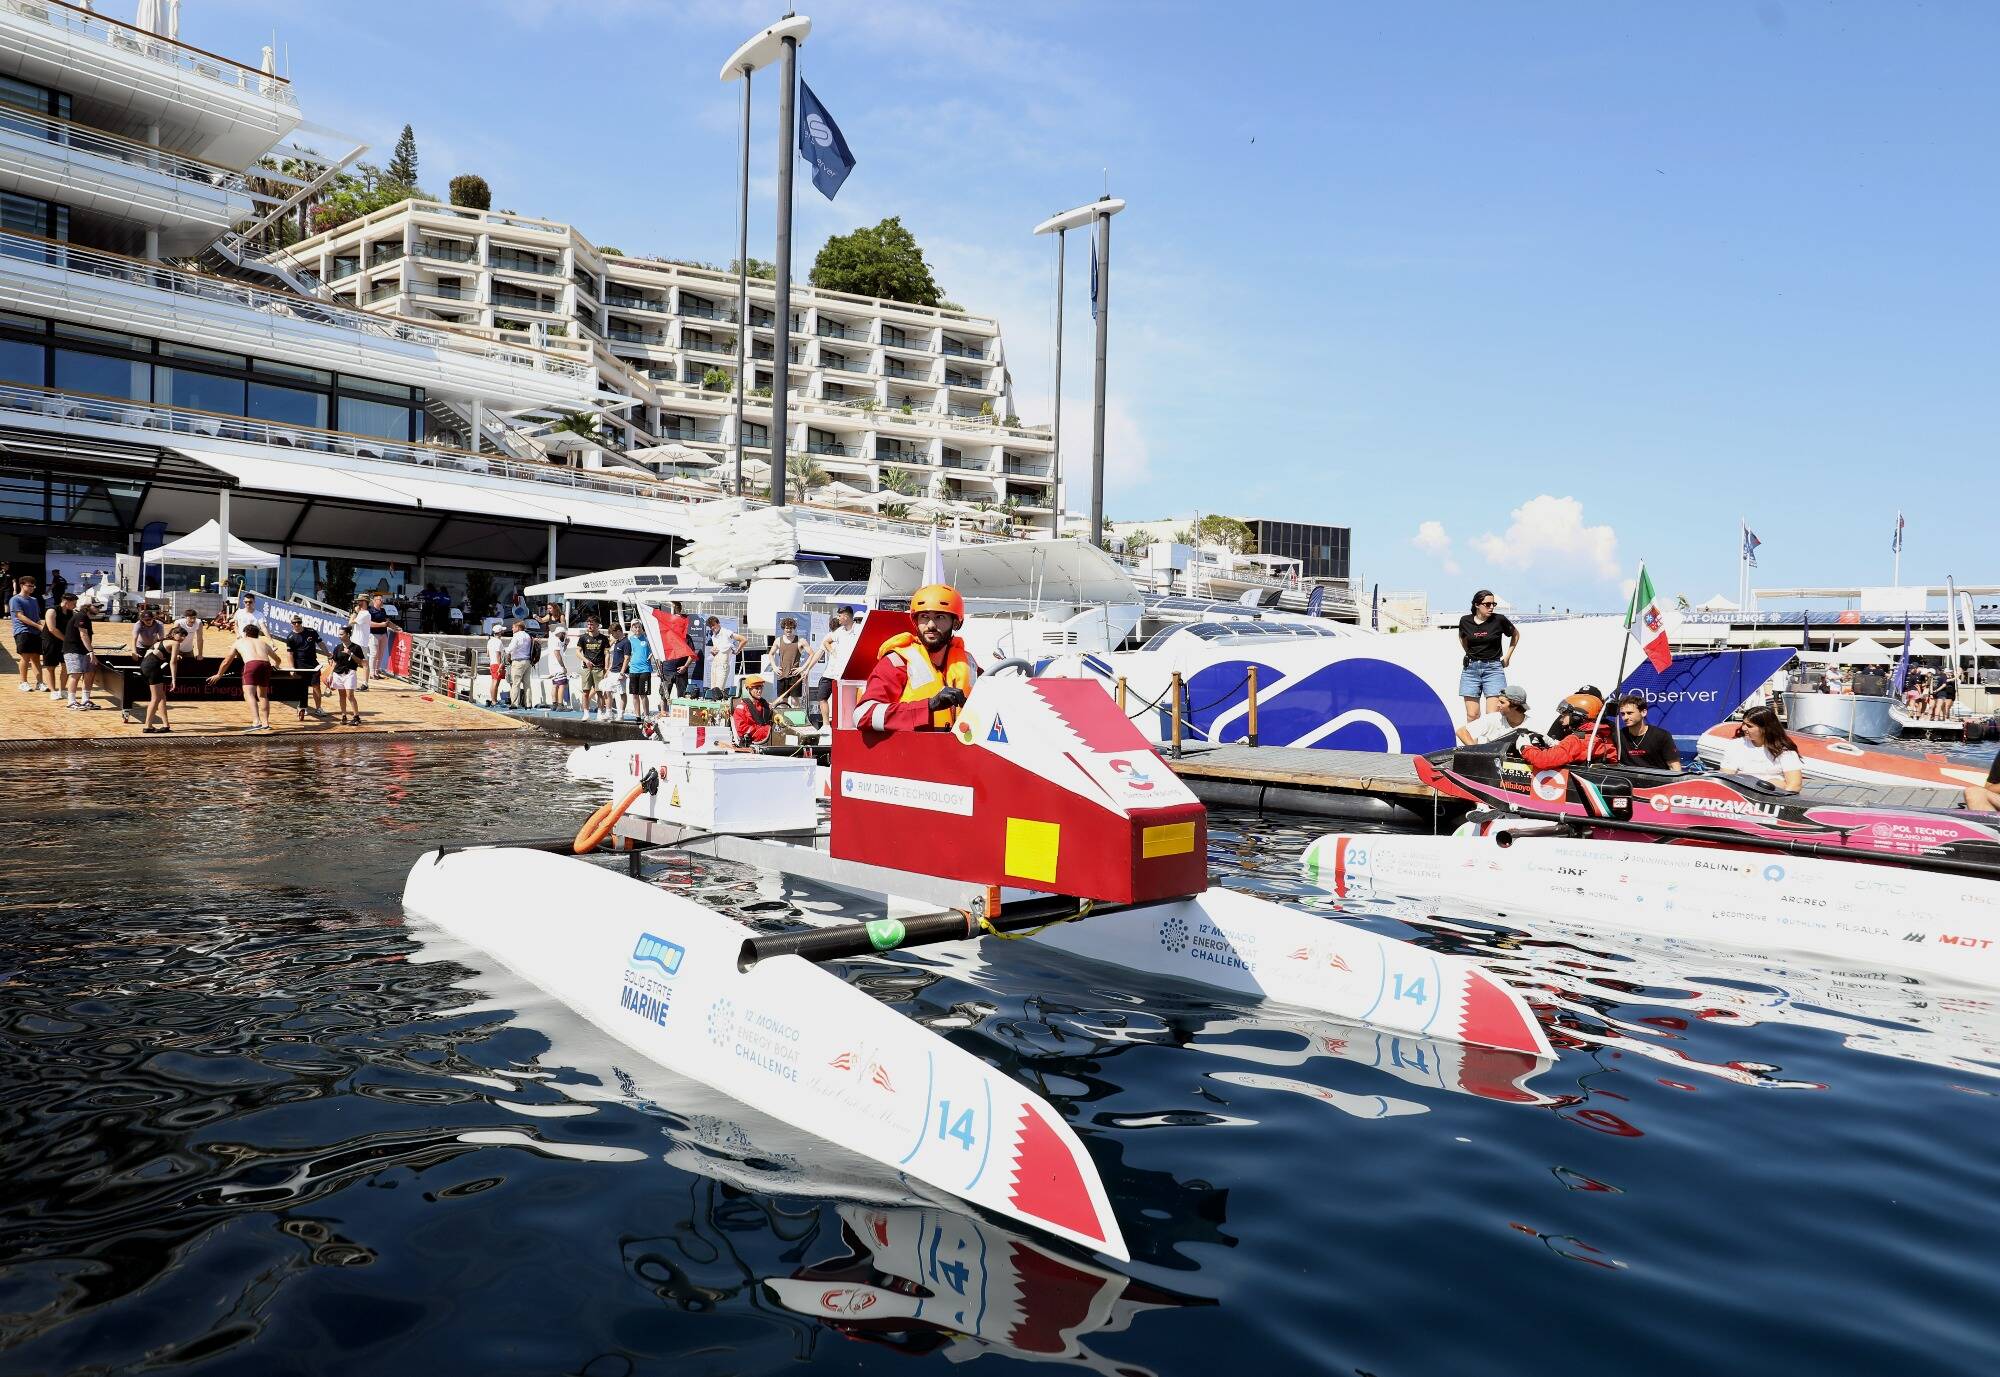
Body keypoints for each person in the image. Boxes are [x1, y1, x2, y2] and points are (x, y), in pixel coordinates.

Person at [857, 584, 978, 732]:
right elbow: (862, 715)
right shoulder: (898, 662)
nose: (931, 625)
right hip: (910, 751)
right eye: (924, 617)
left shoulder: (969, 663)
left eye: (940, 617)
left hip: (959, 750)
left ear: (956, 623)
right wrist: (929, 705)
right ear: (915, 621)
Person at [1457, 589, 1520, 722]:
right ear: (1476, 605)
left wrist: (1507, 657)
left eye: (1493, 604)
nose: (1491, 607)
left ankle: (1490, 743)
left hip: (1493, 669)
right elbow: (1462, 638)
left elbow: (1515, 634)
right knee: (1472, 715)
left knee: (1493, 715)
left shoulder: (1499, 620)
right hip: (1470, 670)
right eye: (1487, 604)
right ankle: (1474, 743)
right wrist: (1469, 653)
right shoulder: (1465, 621)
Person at [1516, 693, 1618, 770]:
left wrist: (1525, 747)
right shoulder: (1601, 737)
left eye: (1565, 714)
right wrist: (1556, 743)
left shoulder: (1576, 740)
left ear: (1577, 717)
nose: (1561, 719)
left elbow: (1543, 761)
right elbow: (1578, 752)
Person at [207, 622, 276, 732]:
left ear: (245, 633)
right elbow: (277, 659)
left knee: (249, 693)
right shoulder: (263, 643)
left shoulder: (239, 642)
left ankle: (256, 722)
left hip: (251, 665)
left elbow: (227, 661)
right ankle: (265, 723)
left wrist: (219, 674)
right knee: (263, 695)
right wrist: (275, 665)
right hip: (266, 665)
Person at [801, 604, 860, 727]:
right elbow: (822, 648)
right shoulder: (837, 632)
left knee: (846, 701)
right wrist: (807, 669)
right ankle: (826, 726)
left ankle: (846, 724)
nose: (838, 618)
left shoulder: (858, 630)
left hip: (845, 674)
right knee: (822, 696)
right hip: (830, 673)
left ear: (846, 616)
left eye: (839, 616)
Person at [1717, 706, 1803, 791]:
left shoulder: (1785, 751)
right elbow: (1726, 778)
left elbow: (1794, 785)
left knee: (1775, 783)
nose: (1743, 728)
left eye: (1749, 726)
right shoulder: (1735, 745)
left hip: (1773, 796)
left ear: (1765, 729)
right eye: (1743, 723)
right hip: (1742, 794)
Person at [1615, 693, 1682, 772]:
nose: (1625, 717)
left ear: (1643, 712)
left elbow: (1674, 767)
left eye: (1630, 713)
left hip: (1658, 780)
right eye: (1623, 714)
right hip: (1628, 781)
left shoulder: (1662, 736)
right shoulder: (1618, 736)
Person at [58, 590, 99, 710]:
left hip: (82, 650)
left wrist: (89, 651)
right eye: (95, 606)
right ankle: (71, 701)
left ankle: (85, 700)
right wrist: (91, 652)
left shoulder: (84, 617)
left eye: (99, 606)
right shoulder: (81, 616)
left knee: (89, 673)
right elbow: (83, 635)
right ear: (87, 606)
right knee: (75, 674)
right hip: (73, 650)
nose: (98, 609)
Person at [139, 626, 183, 733]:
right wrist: (174, 679)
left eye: (184, 636)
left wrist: (175, 656)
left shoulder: (162, 641)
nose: (182, 638)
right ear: (173, 634)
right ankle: (148, 726)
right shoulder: (175, 643)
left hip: (145, 666)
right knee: (156, 698)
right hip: (153, 668)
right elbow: (173, 663)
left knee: (161, 696)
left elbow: (155, 653)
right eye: (181, 635)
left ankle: (165, 725)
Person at [1457, 684, 1529, 746]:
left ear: (1515, 705)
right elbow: (1461, 731)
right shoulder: (1493, 718)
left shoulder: (1533, 726)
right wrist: (1476, 752)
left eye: (1502, 702)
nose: (1497, 705)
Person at [282, 614, 324, 720]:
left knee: (316, 686)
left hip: (313, 664)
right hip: (300, 665)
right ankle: (303, 707)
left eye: (299, 622)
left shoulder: (311, 632)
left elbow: (321, 643)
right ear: (291, 624)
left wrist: (328, 654)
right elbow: (290, 654)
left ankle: (318, 708)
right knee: (303, 688)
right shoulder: (290, 637)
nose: (297, 624)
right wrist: (292, 668)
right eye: (294, 623)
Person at [10, 573, 46, 693]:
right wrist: (38, 626)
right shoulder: (15, 599)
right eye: (29, 586)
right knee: (25, 657)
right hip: (22, 631)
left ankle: (40, 683)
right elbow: (20, 616)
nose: (31, 588)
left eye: (33, 586)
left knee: (36, 658)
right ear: (22, 585)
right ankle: (23, 682)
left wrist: (41, 627)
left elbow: (36, 617)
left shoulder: (34, 600)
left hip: (35, 632)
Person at [574, 614, 611, 718]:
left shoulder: (603, 638)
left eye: (592, 624)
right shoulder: (583, 638)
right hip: (587, 668)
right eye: (588, 624)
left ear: (597, 625)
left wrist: (606, 668)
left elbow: (607, 654)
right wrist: (586, 660)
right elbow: (577, 652)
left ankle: (600, 712)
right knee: (585, 692)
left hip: (599, 668)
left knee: (600, 692)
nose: (589, 626)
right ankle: (586, 713)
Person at [326, 628, 365, 725]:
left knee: (350, 695)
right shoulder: (337, 647)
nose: (339, 636)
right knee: (341, 695)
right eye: (339, 634)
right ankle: (344, 716)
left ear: (348, 634)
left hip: (350, 673)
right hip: (338, 673)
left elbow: (360, 662)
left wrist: (350, 654)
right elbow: (334, 662)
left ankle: (356, 717)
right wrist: (330, 674)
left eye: (341, 634)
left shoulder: (356, 648)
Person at [41, 591, 72, 704]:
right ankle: (53, 691)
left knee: (66, 665)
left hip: (64, 642)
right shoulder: (52, 611)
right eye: (73, 603)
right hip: (50, 641)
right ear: (66, 602)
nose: (74, 606)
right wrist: (66, 640)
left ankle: (62, 689)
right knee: (50, 667)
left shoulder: (70, 612)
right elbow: (52, 629)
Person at [703, 617, 742, 699]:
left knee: (718, 690)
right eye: (710, 626)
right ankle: (719, 706)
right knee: (714, 690)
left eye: (713, 625)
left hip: (723, 664)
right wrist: (712, 651)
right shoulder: (714, 636)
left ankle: (724, 706)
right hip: (715, 663)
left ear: (718, 623)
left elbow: (743, 639)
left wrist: (737, 650)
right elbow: (715, 652)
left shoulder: (726, 632)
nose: (712, 628)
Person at [772, 616, 807, 704]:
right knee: (782, 701)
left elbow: (812, 654)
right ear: (784, 628)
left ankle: (797, 718)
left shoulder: (800, 640)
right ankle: (784, 718)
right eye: (787, 628)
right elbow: (770, 654)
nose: (789, 630)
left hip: (795, 675)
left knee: (795, 701)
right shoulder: (778, 640)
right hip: (782, 675)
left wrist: (802, 668)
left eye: (791, 628)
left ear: (794, 629)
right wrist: (774, 667)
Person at [623, 620, 654, 720]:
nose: (637, 629)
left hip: (645, 669)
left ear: (641, 627)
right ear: (632, 628)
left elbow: (655, 649)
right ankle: (637, 716)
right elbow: (626, 654)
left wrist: (651, 655)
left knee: (643, 694)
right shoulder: (629, 640)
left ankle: (646, 715)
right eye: (635, 627)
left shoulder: (647, 638)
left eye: (639, 627)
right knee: (635, 695)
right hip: (633, 670)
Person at [732, 674, 775, 745]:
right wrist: (766, 731)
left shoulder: (765, 705)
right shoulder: (741, 708)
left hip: (769, 740)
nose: (760, 690)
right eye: (756, 688)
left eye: (761, 687)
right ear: (748, 689)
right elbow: (742, 730)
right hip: (753, 744)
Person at [505, 619, 535, 710]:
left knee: (515, 683)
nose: (512, 629)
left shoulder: (516, 636)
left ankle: (514, 704)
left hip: (518, 661)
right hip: (527, 661)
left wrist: (505, 651)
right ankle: (528, 704)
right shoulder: (528, 636)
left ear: (518, 627)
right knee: (527, 684)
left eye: (513, 627)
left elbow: (510, 648)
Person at [367, 594, 396, 678]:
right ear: (374, 601)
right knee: (374, 653)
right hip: (373, 634)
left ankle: (376, 671)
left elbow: (387, 622)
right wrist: (381, 625)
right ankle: (371, 673)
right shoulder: (370, 611)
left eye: (382, 599)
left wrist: (396, 628)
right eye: (380, 599)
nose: (382, 601)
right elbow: (369, 624)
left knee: (380, 654)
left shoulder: (383, 611)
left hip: (383, 634)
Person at [545, 625, 571, 710]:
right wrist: (563, 666)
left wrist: (566, 644)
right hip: (558, 666)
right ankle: (560, 705)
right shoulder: (557, 641)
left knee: (555, 684)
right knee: (562, 685)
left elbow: (561, 651)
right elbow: (557, 653)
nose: (564, 636)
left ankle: (554, 704)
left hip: (552, 667)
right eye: (564, 634)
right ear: (561, 634)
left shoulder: (553, 640)